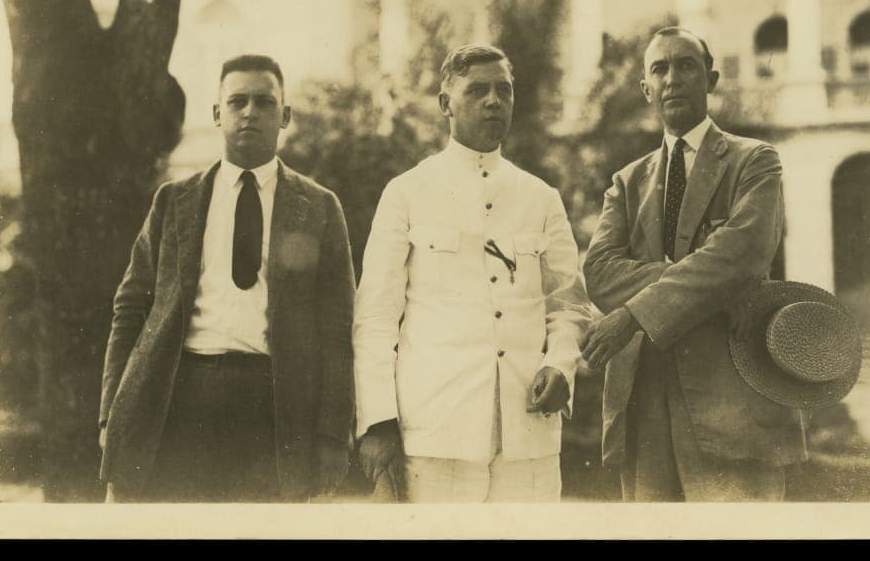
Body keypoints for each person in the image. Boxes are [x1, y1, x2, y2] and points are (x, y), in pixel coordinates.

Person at [98, 54, 355, 502]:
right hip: (178, 397)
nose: (250, 112)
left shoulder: (318, 207)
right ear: (217, 114)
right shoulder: (174, 201)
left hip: (273, 407)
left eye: (264, 102)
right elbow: (130, 307)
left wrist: (333, 435)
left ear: (285, 115)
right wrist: (110, 415)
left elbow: (338, 329)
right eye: (237, 102)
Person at [353, 44, 591, 503]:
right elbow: (376, 317)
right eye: (478, 90)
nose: (493, 101)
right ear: (446, 103)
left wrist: (560, 365)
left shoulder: (541, 198)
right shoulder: (406, 193)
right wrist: (378, 421)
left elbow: (570, 304)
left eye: (504, 90)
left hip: (528, 433)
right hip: (437, 433)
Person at [581, 27, 806, 502]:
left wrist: (635, 312)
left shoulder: (755, 161)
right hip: (643, 400)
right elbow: (598, 272)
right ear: (645, 89)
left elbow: (741, 254)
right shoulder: (627, 182)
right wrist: (707, 278)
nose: (672, 79)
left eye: (686, 66)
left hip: (732, 398)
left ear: (712, 78)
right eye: (658, 69)